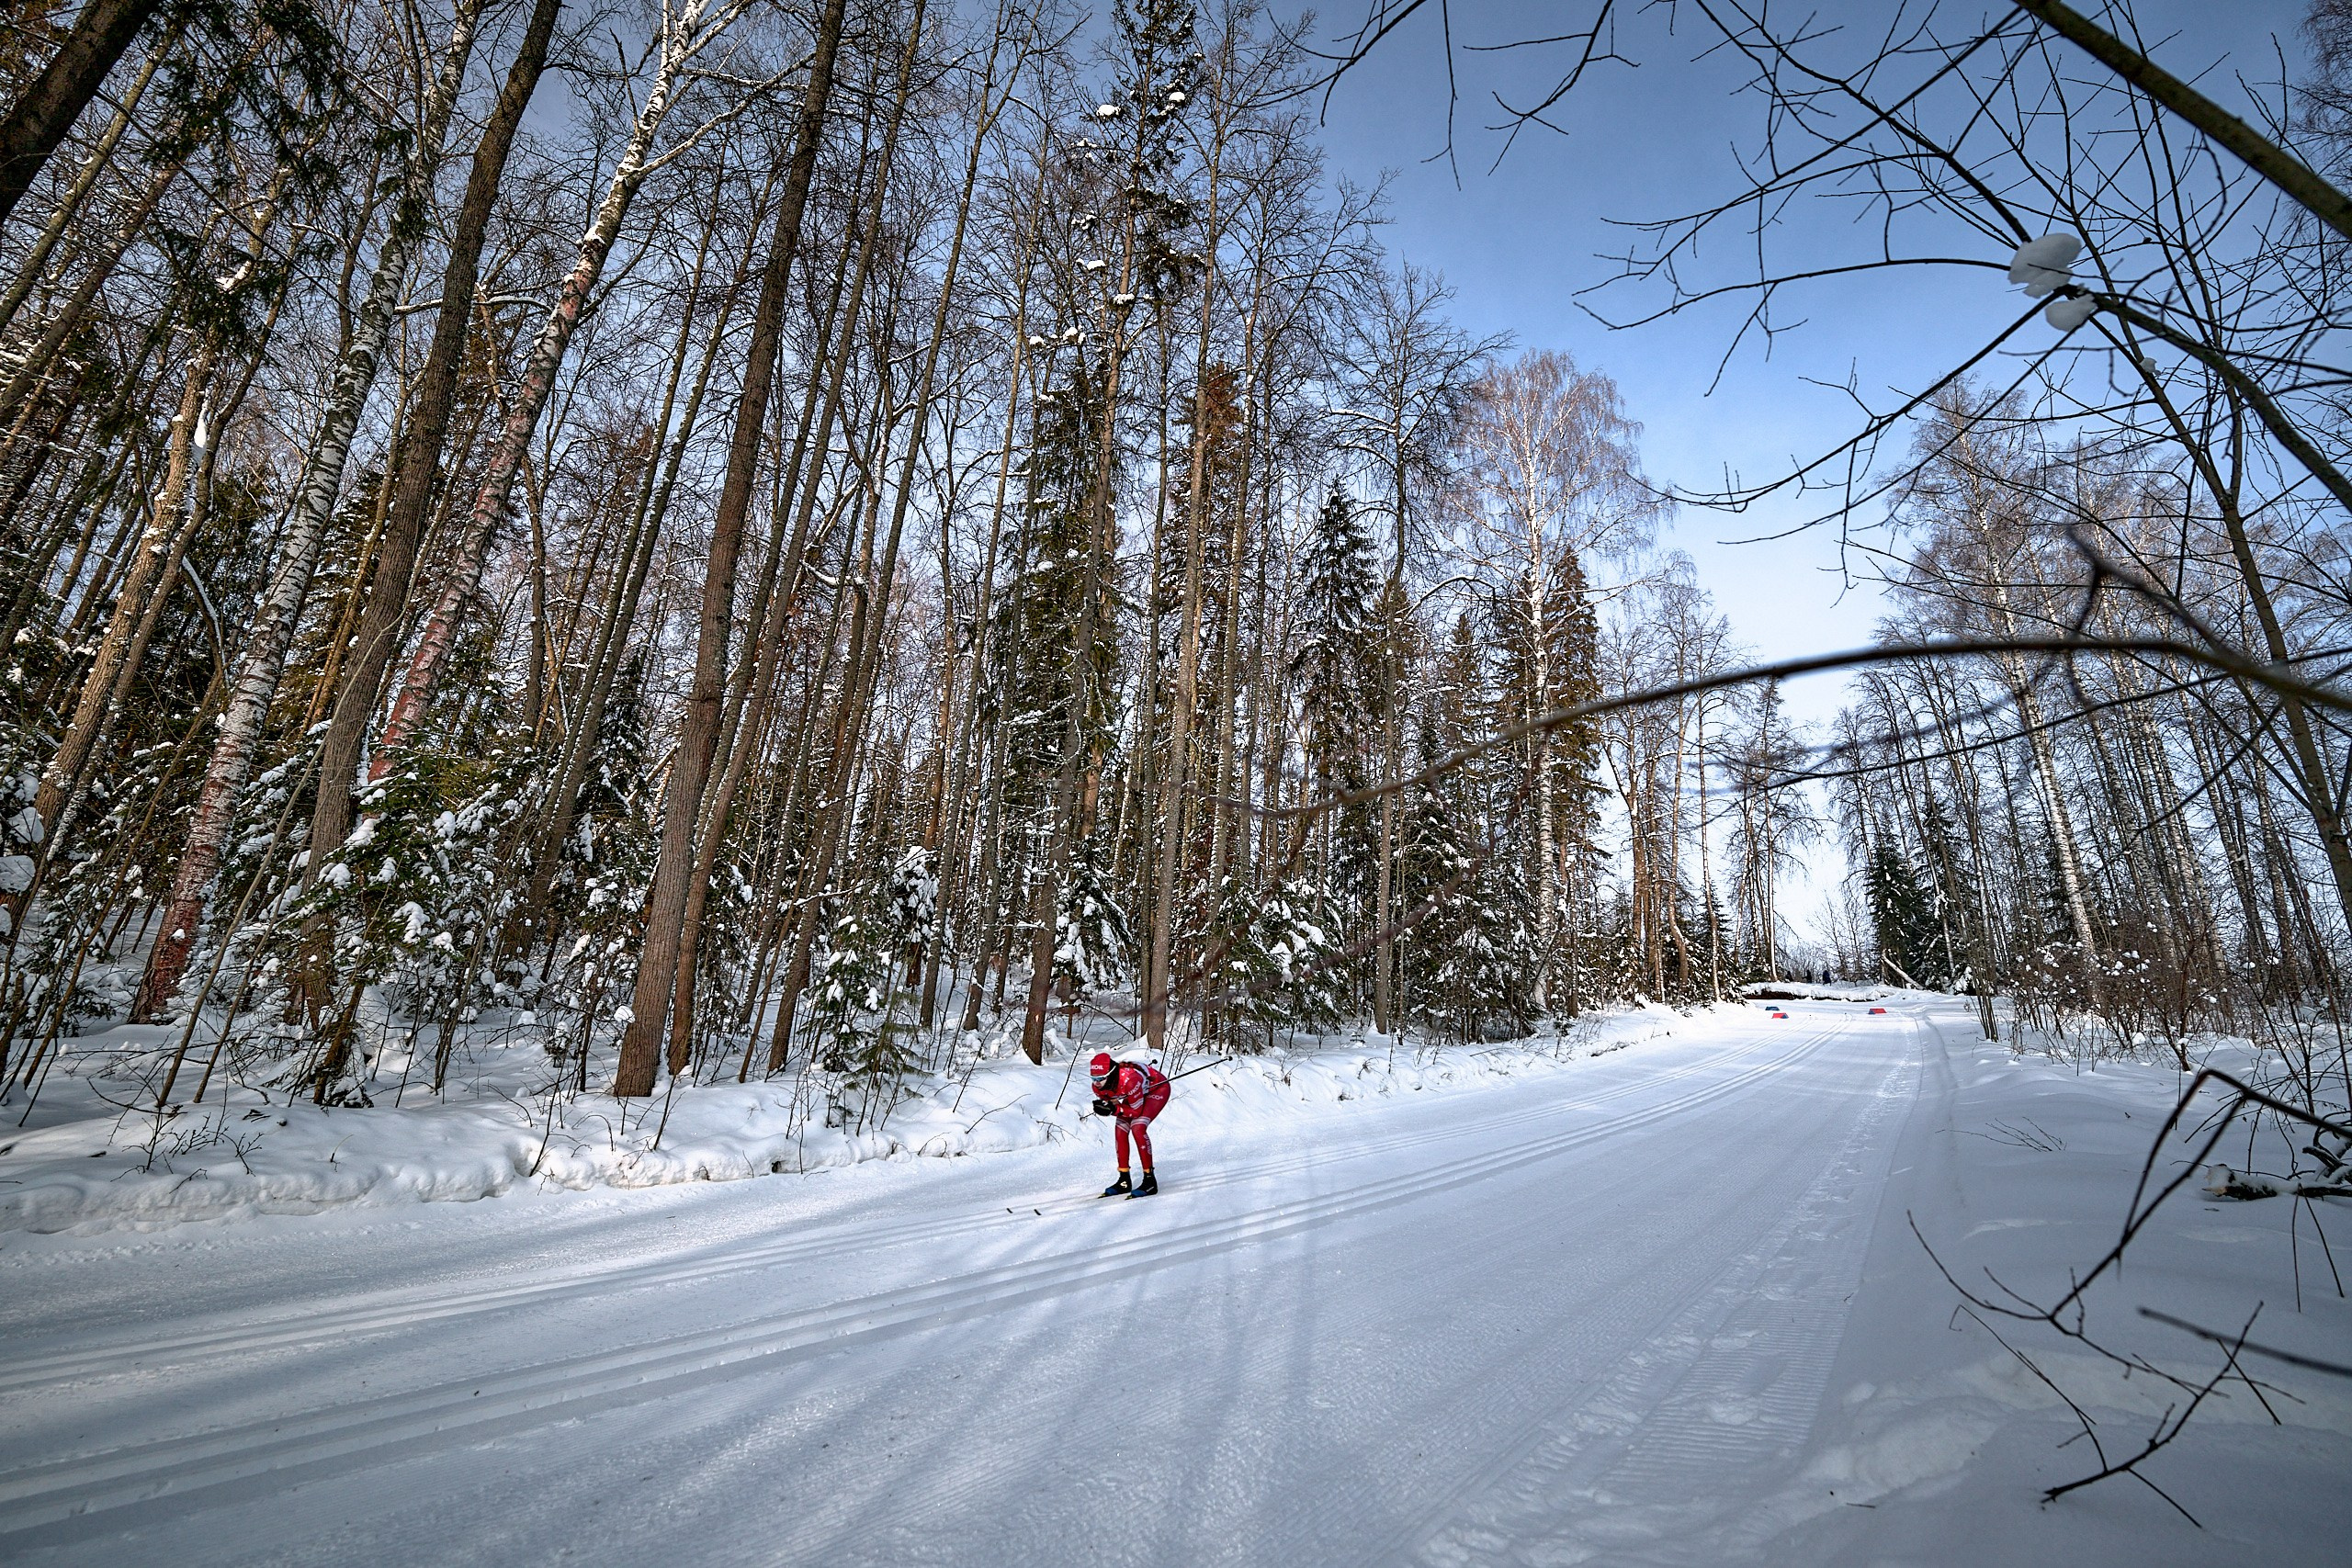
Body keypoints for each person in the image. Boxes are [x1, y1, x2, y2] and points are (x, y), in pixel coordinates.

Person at [1089, 1051, 1170, 1197]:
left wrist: (1114, 1109)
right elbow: (1113, 1103)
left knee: (1138, 1128)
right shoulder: (1097, 1087)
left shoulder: (1130, 1080)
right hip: (1135, 1093)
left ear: (1110, 1074)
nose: (1097, 1082)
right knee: (1120, 1129)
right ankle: (1124, 1179)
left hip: (1157, 1089)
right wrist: (1107, 1107)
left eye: (1101, 1078)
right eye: (1094, 1078)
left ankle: (1150, 1180)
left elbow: (1136, 1112)